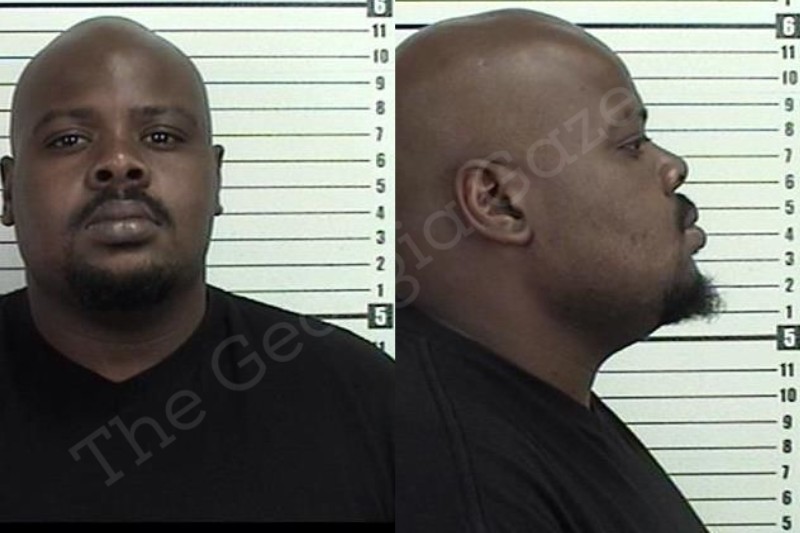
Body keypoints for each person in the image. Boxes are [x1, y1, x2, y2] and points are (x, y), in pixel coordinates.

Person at [0, 17, 393, 521]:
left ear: (216, 177)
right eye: (69, 140)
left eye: (161, 136)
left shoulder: (367, 402)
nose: (119, 161)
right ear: (8, 190)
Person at [396, 8, 719, 532]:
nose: (673, 167)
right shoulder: (459, 477)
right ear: (499, 202)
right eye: (630, 145)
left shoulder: (532, 413)